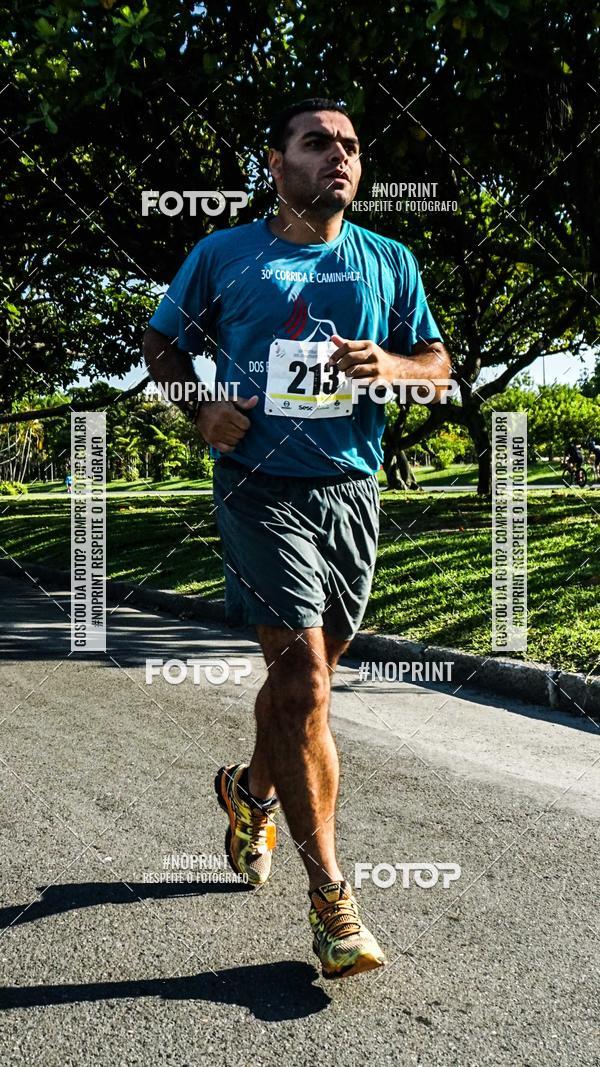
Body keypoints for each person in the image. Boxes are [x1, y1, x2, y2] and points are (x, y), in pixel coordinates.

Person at [144, 97, 451, 980]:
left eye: (351, 146)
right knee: (307, 680)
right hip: (258, 489)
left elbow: (436, 369)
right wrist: (198, 405)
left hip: (352, 490)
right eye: (318, 143)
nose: (340, 158)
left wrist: (392, 367)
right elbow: (162, 343)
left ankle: (249, 794)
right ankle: (334, 906)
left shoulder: (391, 261)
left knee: (299, 691)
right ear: (275, 164)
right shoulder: (225, 253)